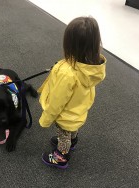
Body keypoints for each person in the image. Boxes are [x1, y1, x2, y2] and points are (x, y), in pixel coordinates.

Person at [38, 16, 107, 169]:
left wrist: (46, 119)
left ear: (70, 44)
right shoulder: (91, 68)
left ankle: (61, 156)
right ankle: (72, 140)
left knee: (63, 133)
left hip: (65, 115)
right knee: (72, 129)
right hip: (78, 111)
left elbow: (57, 101)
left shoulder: (67, 74)